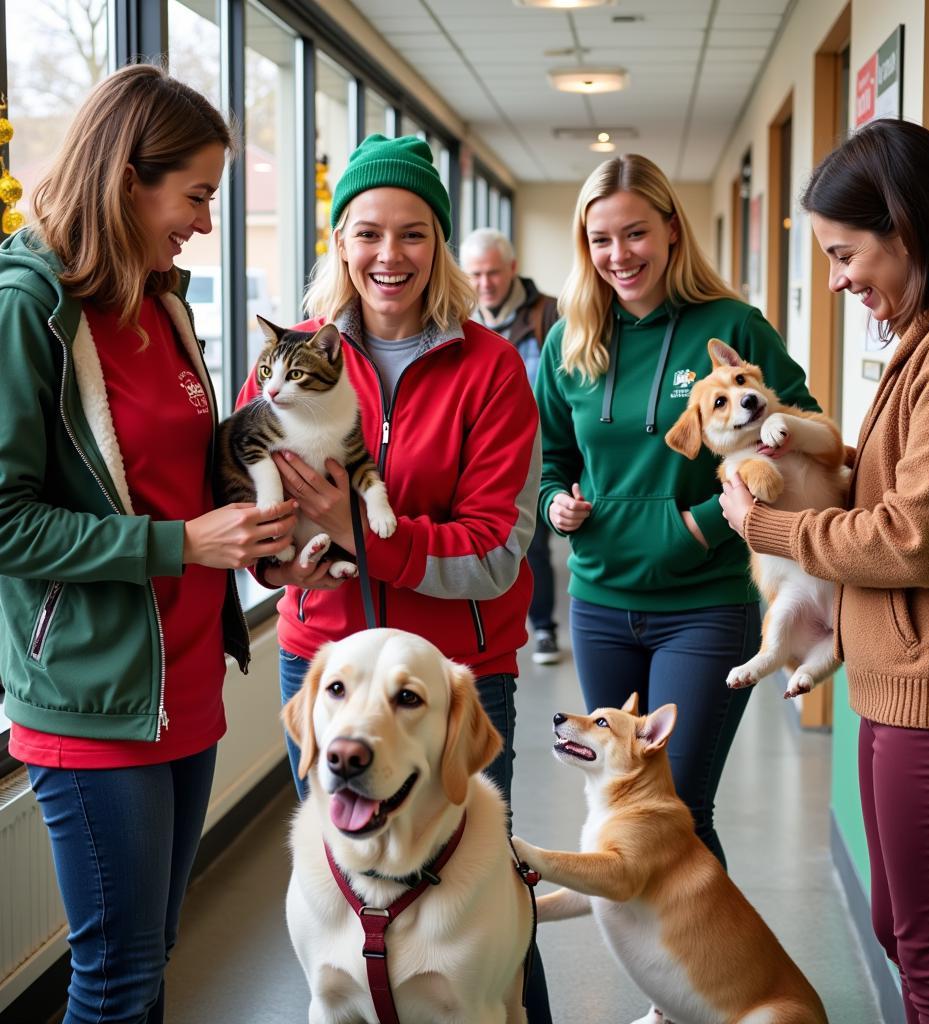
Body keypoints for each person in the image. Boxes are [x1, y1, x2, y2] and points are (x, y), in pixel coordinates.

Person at [0, 65, 297, 1024]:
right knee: (120, 980)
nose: (208, 223)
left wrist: (254, 531)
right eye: (198, 195)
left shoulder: (158, 301)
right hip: (93, 699)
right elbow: (5, 521)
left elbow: (179, 473)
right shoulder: (27, 308)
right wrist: (179, 546)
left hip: (185, 684)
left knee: (150, 957)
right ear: (130, 176)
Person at [236, 134, 552, 1022]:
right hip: (326, 675)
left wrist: (359, 534)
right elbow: (247, 509)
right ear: (339, 241)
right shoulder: (290, 362)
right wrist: (279, 556)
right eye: (367, 232)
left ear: (441, 247)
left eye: (414, 234)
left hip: (453, 681)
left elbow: (494, 553)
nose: (389, 256)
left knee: (483, 921)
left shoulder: (490, 371)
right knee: (349, 905)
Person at [720, 118, 929, 1024]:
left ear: (906, 227)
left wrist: (771, 525)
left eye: (845, 253)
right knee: (905, 937)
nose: (838, 278)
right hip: (899, 685)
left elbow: (917, 537)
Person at [533, 152, 819, 869]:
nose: (618, 255)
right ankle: (670, 978)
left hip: (708, 601)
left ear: (669, 230)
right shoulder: (569, 340)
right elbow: (552, 459)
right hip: (599, 601)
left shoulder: (731, 326)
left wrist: (705, 522)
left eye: (634, 234)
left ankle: (720, 980)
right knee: (632, 803)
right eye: (600, 240)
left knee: (681, 811)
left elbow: (796, 431)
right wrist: (554, 503)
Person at [461, 227, 562, 664]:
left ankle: (543, 627)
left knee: (532, 540)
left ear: (513, 269)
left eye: (493, 273)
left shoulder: (550, 314)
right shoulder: (458, 317)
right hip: (478, 449)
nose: (485, 284)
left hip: (538, 444)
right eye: (476, 275)